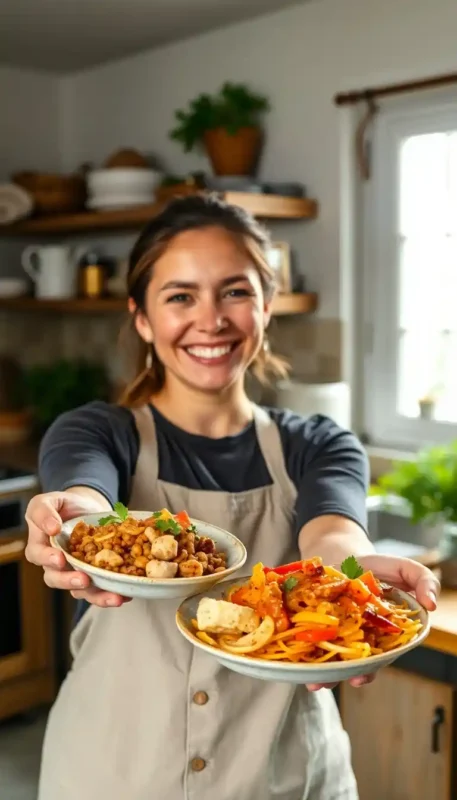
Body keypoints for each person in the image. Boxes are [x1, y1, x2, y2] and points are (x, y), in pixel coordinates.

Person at [25, 195, 440, 800]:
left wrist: (360, 578)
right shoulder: (95, 432)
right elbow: (86, 498)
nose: (211, 319)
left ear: (267, 306)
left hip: (285, 777)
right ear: (141, 316)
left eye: (235, 292)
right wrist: (75, 531)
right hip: (112, 772)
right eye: (180, 296)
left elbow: (333, 534)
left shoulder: (321, 444)